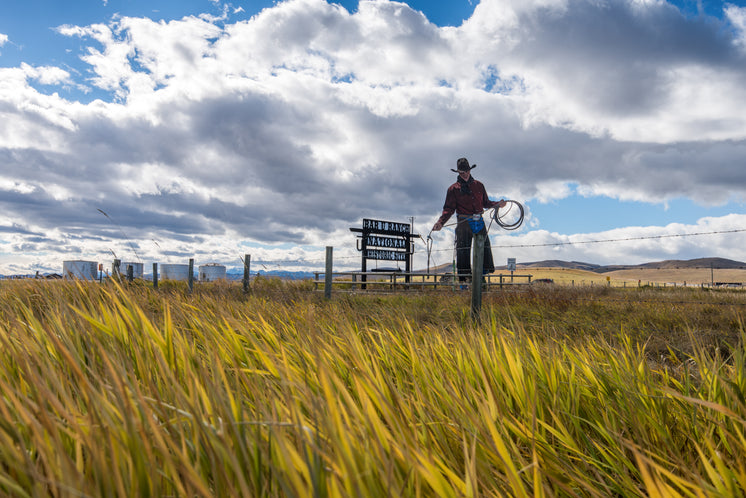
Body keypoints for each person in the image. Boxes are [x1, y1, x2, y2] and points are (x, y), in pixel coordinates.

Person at [432, 157, 506, 283]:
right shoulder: (453, 189)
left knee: (485, 248)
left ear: (470, 170)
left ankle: (481, 278)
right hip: (463, 223)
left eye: (466, 171)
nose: (464, 174)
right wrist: (440, 222)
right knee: (463, 252)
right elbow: (448, 209)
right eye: (462, 172)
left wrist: (498, 204)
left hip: (479, 221)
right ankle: (465, 282)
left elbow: (486, 203)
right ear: (458, 173)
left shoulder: (479, 185)